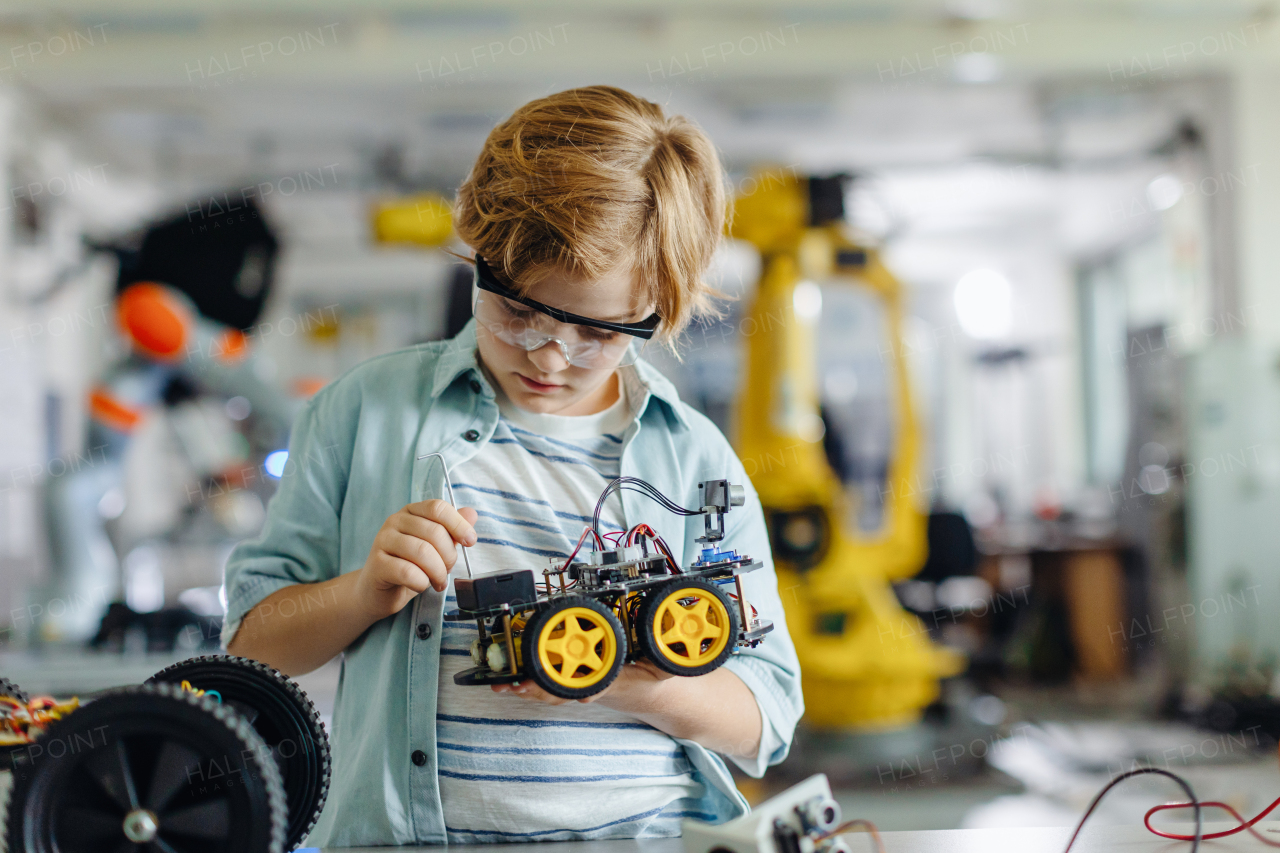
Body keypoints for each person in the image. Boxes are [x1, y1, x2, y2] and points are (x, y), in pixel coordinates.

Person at [222, 85, 802, 848]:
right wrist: (362, 592)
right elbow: (251, 649)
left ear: (656, 311)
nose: (550, 354)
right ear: (476, 247)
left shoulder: (693, 459)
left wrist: (627, 681)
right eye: (517, 310)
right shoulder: (364, 412)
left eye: (594, 331)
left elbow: (766, 719)